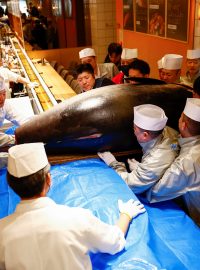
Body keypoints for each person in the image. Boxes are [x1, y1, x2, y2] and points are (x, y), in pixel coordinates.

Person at [0, 142, 146, 269]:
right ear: (49, 180)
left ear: (11, 185)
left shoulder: (2, 232)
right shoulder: (76, 219)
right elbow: (114, 242)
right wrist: (126, 214)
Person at [98, 104, 179, 194]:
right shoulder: (169, 131)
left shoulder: (155, 161)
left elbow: (130, 185)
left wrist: (114, 164)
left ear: (145, 135)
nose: (133, 131)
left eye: (134, 129)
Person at [146, 98, 200, 226]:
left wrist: (144, 170)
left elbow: (156, 192)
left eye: (181, 117)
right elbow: (177, 145)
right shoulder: (183, 143)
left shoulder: (187, 162)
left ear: (183, 125)